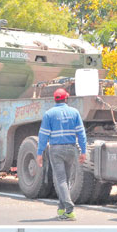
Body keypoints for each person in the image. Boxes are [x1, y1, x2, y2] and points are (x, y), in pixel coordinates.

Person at [36, 88, 88, 220]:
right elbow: (81, 133)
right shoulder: (74, 112)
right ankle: (61, 208)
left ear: (54, 99)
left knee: (61, 179)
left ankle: (69, 209)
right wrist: (83, 151)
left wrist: (39, 153)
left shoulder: (49, 114)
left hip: (56, 150)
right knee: (67, 179)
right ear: (66, 98)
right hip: (71, 149)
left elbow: (43, 135)